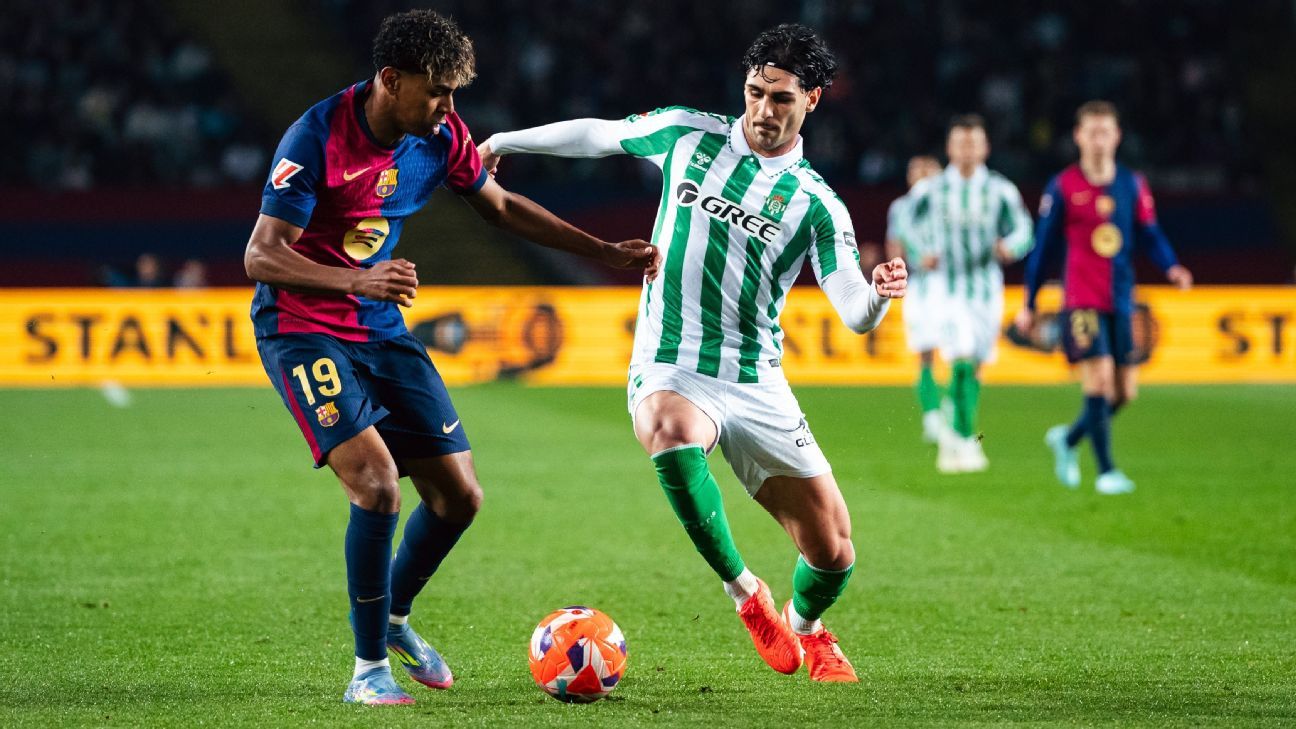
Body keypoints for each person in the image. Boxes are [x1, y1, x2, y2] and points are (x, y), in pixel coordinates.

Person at [243, 10, 656, 705]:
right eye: (437, 91)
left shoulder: (442, 137)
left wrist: (603, 251)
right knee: (377, 484)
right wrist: (356, 280)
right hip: (302, 328)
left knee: (459, 497)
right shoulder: (316, 139)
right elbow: (260, 255)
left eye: (455, 92)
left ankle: (393, 617)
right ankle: (367, 670)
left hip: (379, 326)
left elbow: (502, 208)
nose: (449, 107)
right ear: (391, 80)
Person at [480, 24, 907, 683]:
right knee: (669, 431)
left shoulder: (818, 205)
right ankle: (746, 592)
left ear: (812, 100)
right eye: (755, 92)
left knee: (833, 553)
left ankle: (805, 625)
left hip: (755, 378)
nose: (763, 109)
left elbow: (852, 307)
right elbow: (599, 134)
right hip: (672, 361)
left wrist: (877, 296)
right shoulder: (687, 134)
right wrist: (503, 140)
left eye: (782, 98)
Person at [1014, 101, 1192, 495]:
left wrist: (1172, 267)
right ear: (1078, 137)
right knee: (1098, 378)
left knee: (1125, 392)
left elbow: (1150, 233)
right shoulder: (1063, 186)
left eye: (1105, 132)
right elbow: (1043, 250)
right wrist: (1030, 302)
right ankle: (1106, 472)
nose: (1098, 140)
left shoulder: (1132, 184)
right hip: (1080, 299)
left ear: (1117, 136)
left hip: (1121, 298)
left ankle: (1069, 439)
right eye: (1091, 132)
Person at [903, 116, 1034, 473]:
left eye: (973, 143)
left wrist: (1010, 246)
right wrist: (919, 253)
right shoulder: (932, 189)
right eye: (961, 143)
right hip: (946, 288)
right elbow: (905, 222)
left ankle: (956, 433)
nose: (967, 150)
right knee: (960, 358)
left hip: (987, 289)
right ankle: (963, 438)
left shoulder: (1000, 189)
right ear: (950, 148)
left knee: (975, 365)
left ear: (985, 147)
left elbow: (1024, 228)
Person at [884, 155, 944, 443]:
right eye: (916, 171)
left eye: (927, 171)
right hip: (921, 284)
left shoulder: (950, 204)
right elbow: (894, 245)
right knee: (925, 352)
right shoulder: (901, 208)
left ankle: (955, 411)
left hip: (953, 284)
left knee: (960, 353)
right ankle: (932, 416)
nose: (921, 176)